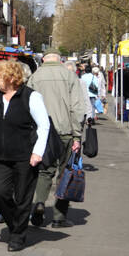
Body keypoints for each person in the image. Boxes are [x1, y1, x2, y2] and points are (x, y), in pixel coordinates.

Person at [0, 60, 51, 252]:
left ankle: (17, 236)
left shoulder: (31, 97)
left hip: (25, 155)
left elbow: (44, 125)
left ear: (11, 78)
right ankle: (17, 223)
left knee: (23, 197)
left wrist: (37, 152)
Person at [29, 52, 89, 229]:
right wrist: (77, 135)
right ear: (60, 60)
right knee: (65, 173)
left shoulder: (35, 77)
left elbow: (28, 105)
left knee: (44, 171)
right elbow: (78, 107)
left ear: (43, 60)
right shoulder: (70, 76)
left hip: (43, 133)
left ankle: (39, 203)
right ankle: (58, 217)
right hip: (66, 132)